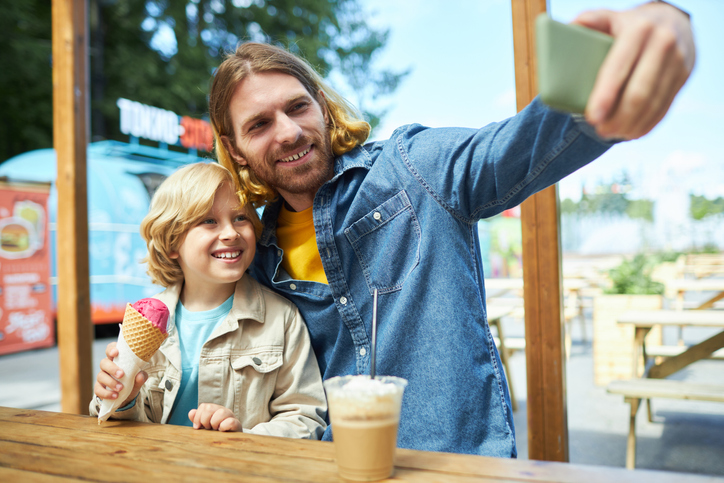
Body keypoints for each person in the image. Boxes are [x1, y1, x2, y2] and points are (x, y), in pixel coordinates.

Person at [207, 2, 695, 455]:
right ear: (236, 147)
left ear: (320, 104)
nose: (288, 131)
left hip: (458, 467)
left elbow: (524, 141)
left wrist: (659, 24)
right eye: (259, 125)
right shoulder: (256, 256)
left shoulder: (415, 168)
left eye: (297, 107)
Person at [90, 162, 327, 439]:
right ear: (171, 242)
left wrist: (244, 435)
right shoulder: (145, 321)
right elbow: (111, 425)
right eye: (209, 221)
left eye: (241, 218)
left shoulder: (282, 318)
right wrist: (122, 399)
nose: (231, 233)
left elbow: (305, 417)